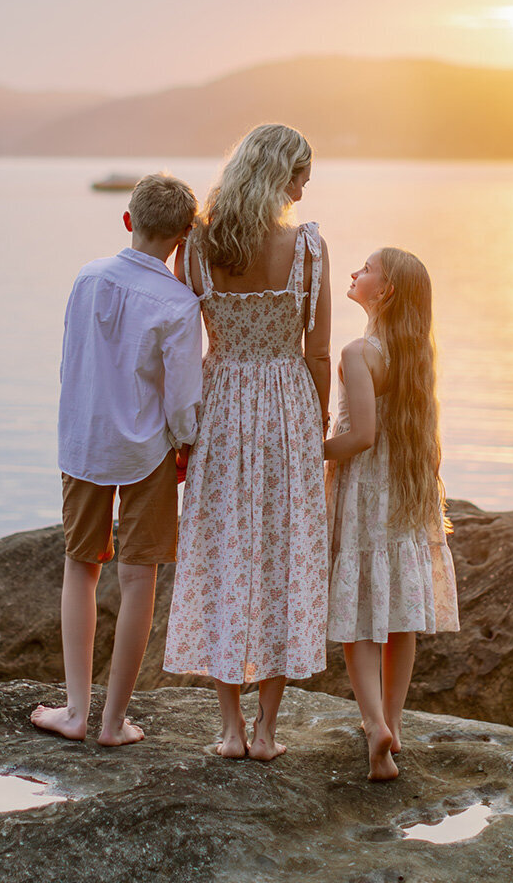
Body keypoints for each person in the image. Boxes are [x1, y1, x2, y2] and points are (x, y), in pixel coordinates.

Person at [163, 124, 331, 761]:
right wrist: (317, 426)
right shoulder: (308, 248)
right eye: (299, 179)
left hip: (224, 407)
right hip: (287, 408)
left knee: (224, 555)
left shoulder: (198, 247)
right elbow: (318, 353)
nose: (302, 192)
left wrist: (181, 428)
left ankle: (230, 729)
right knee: (284, 556)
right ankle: (266, 733)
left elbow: (183, 346)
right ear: (278, 176)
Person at [31, 174, 202, 746]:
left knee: (80, 567)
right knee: (138, 577)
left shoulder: (88, 277)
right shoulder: (180, 303)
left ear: (128, 220)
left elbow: (71, 357)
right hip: (148, 449)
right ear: (183, 236)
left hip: (85, 439)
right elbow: (182, 399)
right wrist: (186, 442)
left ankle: (76, 712)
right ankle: (112, 723)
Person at [324, 247, 459, 781]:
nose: (354, 273)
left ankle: (373, 723)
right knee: (400, 612)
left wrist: (309, 450)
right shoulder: (413, 354)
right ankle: (394, 723)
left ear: (386, 290)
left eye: (366, 269)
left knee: (357, 615)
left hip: (364, 494)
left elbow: (360, 436)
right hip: (403, 491)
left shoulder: (360, 352)